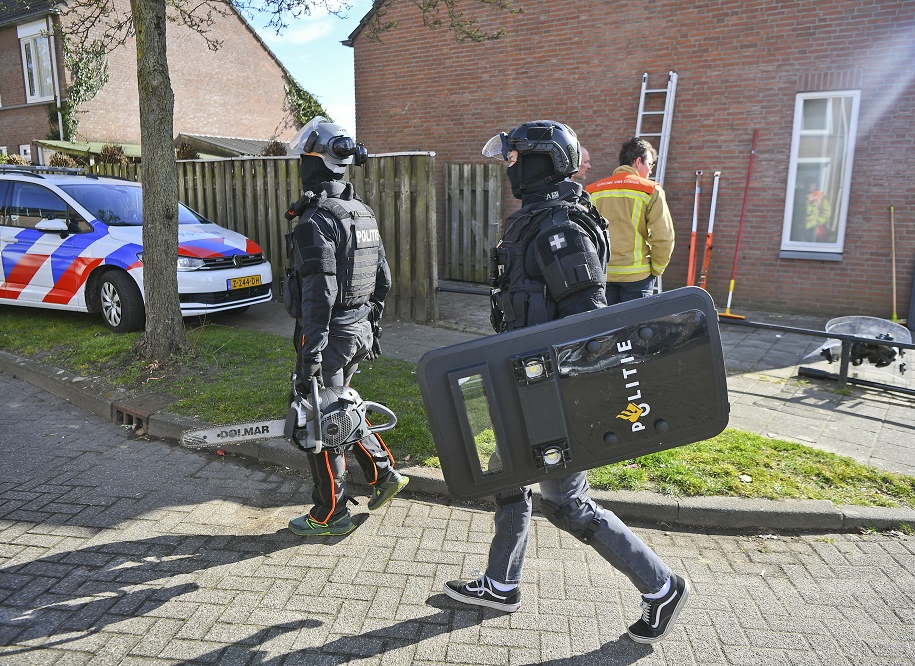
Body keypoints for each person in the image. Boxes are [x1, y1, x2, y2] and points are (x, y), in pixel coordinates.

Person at [444, 120, 690, 644]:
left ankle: (662, 585)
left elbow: (587, 329)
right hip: (526, 383)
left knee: (565, 504)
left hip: (556, 395)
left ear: (542, 160)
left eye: (514, 158)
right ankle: (501, 583)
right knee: (507, 477)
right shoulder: (536, 219)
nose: (509, 168)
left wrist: (574, 410)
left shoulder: (563, 229)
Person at [282, 116, 409, 537]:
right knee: (341, 406)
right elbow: (383, 280)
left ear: (314, 162)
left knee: (318, 420)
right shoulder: (362, 213)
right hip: (358, 332)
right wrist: (369, 323)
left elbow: (320, 297)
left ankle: (330, 514)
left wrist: (311, 356)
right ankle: (383, 473)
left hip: (330, 337)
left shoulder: (315, 222)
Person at [585, 137, 675, 303]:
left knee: (606, 320)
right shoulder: (651, 191)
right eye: (650, 165)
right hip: (637, 277)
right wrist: (656, 269)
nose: (650, 171)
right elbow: (664, 237)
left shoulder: (592, 191)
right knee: (636, 320)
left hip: (603, 273)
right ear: (638, 162)